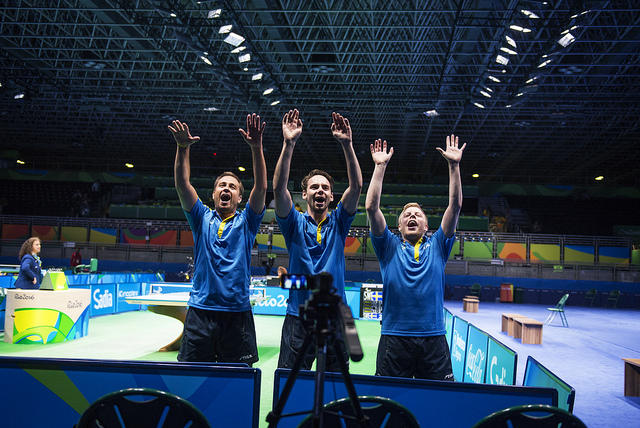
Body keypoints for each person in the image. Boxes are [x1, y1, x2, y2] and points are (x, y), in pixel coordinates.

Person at [365, 134, 466, 380]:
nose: (412, 216)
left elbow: (454, 206)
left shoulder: (439, 245)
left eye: (417, 215)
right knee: (388, 398)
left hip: (434, 338)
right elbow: (371, 207)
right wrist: (380, 167)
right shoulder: (388, 247)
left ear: (427, 226)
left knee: (437, 399)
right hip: (394, 338)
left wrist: (454, 166)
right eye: (406, 215)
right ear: (398, 226)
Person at [169, 114, 267, 365]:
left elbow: (261, 188)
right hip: (200, 312)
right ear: (213, 194)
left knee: (237, 380)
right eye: (222, 185)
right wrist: (183, 148)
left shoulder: (247, 222)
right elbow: (182, 185)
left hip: (237, 314)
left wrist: (256, 147)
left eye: (232, 187)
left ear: (239, 198)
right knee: (191, 377)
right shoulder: (200, 218)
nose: (226, 189)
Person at [273, 109, 362, 370]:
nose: (320, 190)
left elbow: (357, 187)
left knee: (336, 387)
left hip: (337, 318)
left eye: (325, 188)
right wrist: (289, 144)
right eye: (314, 187)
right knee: (289, 383)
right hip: (298, 318)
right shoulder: (294, 223)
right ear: (304, 194)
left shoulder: (339, 222)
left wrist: (347, 145)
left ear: (332, 196)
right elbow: (278, 188)